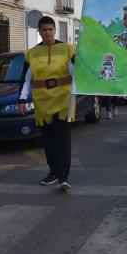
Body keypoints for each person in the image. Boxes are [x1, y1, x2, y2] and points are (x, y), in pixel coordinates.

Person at [19, 16, 75, 190]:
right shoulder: (31, 53)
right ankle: (53, 172)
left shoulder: (68, 49)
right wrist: (21, 99)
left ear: (55, 30)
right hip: (42, 103)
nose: (48, 33)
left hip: (63, 101)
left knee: (62, 139)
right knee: (49, 140)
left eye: (51, 29)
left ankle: (63, 177)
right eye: (44, 30)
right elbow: (26, 79)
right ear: (39, 32)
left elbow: (77, 74)